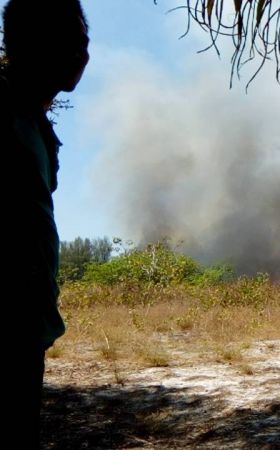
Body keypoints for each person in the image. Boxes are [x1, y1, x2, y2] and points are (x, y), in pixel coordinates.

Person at [1, 0, 89, 446]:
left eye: (82, 40)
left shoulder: (34, 121)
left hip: (25, 330)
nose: (82, 53)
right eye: (70, 40)